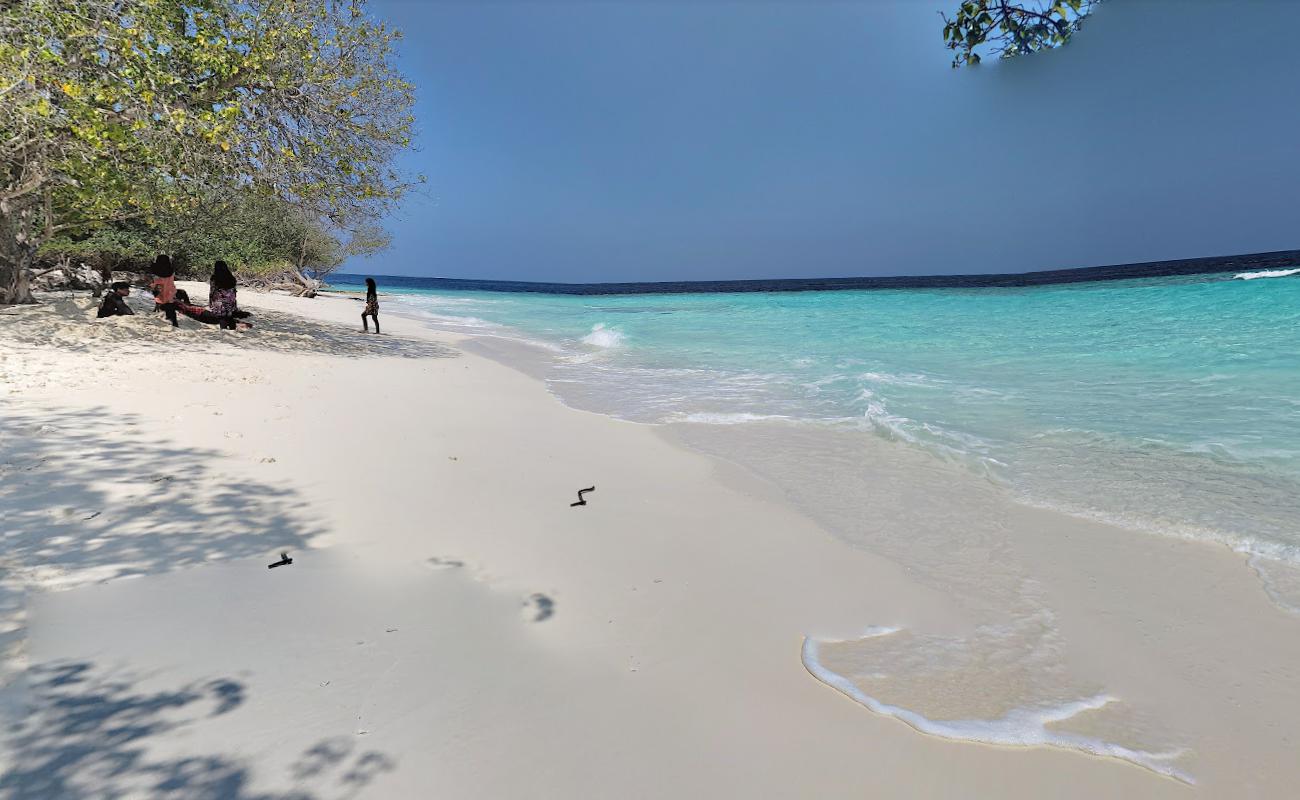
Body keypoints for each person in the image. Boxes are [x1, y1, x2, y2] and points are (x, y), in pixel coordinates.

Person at [174, 289, 252, 329]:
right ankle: (238, 322)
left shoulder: (180, 303)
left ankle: (238, 321)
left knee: (218, 318)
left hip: (200, 313)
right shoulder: (182, 304)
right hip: (200, 313)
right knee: (218, 318)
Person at [148, 254, 178, 327]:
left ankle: (159, 310)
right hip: (170, 290)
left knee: (161, 302)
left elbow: (154, 281)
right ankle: (173, 321)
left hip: (160, 290)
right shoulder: (171, 270)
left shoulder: (155, 270)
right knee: (170, 306)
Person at [208, 260, 239, 330]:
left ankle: (224, 330)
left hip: (219, 302)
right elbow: (234, 291)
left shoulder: (214, 278)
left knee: (222, 317)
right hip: (230, 300)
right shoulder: (231, 278)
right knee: (230, 316)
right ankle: (232, 329)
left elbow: (212, 290)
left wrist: (210, 301)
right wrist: (234, 302)